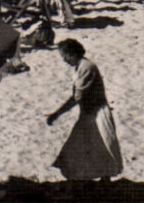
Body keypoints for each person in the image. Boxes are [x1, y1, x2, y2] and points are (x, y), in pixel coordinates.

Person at [45, 39, 122, 185]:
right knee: (88, 145)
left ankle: (100, 182)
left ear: (72, 54)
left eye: (65, 56)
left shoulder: (87, 68)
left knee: (98, 145)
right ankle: (98, 181)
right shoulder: (82, 66)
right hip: (89, 112)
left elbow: (76, 97)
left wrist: (57, 113)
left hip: (96, 112)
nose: (64, 60)